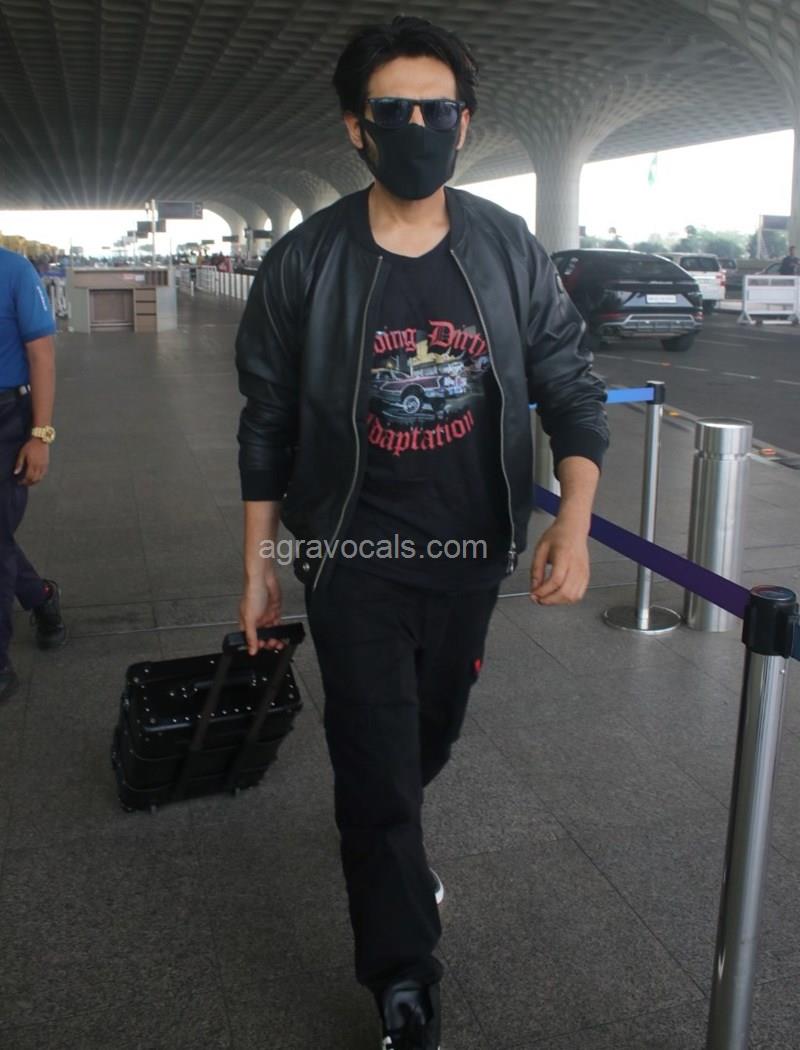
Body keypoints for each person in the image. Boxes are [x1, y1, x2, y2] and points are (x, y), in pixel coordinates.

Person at [235, 15, 608, 1049]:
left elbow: (572, 390)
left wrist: (572, 525)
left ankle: (390, 831)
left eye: (435, 112)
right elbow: (266, 424)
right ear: (355, 128)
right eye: (391, 111)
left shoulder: (505, 248)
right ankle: (402, 978)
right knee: (373, 763)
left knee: (425, 736)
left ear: (465, 124)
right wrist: (260, 564)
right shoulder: (304, 262)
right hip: (352, 555)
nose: (416, 129)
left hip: (467, 553)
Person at [0, 247, 67, 702]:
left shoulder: (13, 270)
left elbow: (41, 355)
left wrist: (40, 435)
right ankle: (40, 595)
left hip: (7, 419)